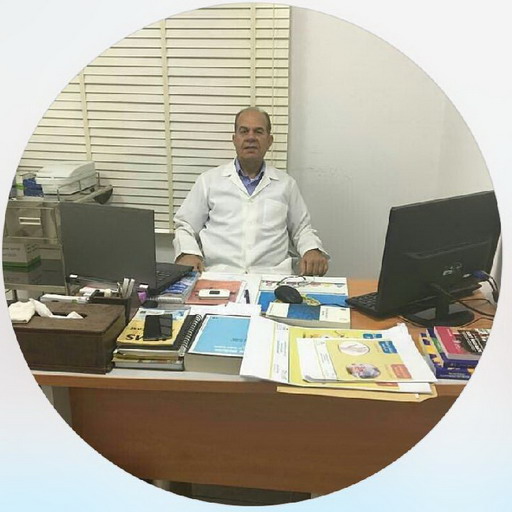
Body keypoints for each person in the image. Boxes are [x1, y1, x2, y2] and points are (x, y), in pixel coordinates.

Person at [172, 107, 329, 276]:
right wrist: (187, 253)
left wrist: (312, 250)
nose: (251, 137)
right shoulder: (208, 181)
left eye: (258, 131)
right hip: (220, 276)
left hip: (272, 277)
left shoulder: (286, 184)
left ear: (269, 141)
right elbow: (186, 225)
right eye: (244, 131)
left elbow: (302, 229)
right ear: (234, 139)